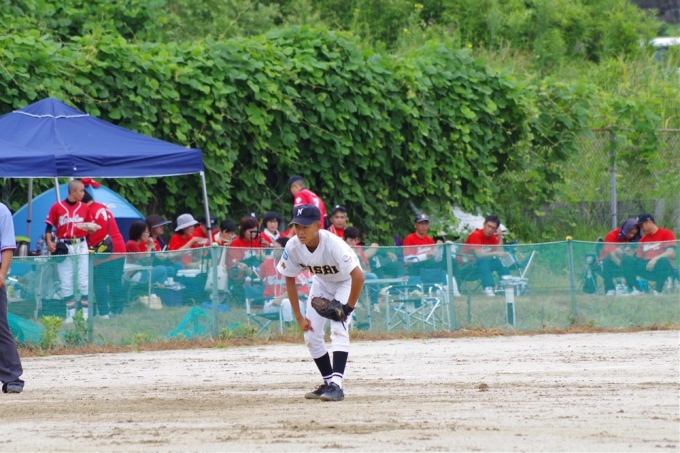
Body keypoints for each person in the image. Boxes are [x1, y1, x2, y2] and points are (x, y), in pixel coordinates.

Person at [277, 204, 365, 402]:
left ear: (318, 225)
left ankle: (337, 385)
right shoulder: (292, 246)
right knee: (310, 334)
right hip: (322, 283)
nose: (300, 231)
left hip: (345, 283)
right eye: (297, 226)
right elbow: (289, 278)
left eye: (305, 226)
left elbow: (359, 277)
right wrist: (299, 317)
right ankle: (328, 382)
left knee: (338, 328)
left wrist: (347, 308)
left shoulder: (333, 244)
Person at [44, 180, 92, 322]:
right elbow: (49, 227)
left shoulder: (85, 207)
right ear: (72, 192)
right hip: (64, 246)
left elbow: (90, 227)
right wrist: (49, 241)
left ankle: (85, 314)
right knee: (66, 281)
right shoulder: (57, 207)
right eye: (81, 191)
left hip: (81, 244)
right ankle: (71, 315)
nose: (83, 193)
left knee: (83, 280)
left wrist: (92, 228)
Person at [82, 190, 126, 318]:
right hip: (119, 246)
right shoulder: (103, 207)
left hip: (103, 250)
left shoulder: (88, 212)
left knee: (100, 282)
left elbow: (89, 233)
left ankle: (103, 313)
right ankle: (117, 311)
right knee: (116, 281)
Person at [253, 237, 309, 322]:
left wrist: (283, 296)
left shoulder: (295, 266)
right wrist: (245, 268)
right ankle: (289, 327)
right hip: (271, 302)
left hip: (289, 301)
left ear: (285, 250)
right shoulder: (267, 263)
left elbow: (304, 291)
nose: (273, 250)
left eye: (276, 248)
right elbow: (253, 275)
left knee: (297, 303)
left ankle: (302, 327)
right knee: (287, 302)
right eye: (273, 248)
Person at [0, 201, 24, 394]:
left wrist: (2, 273)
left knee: (0, 326)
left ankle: (11, 376)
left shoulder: (1, 211)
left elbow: (7, 246)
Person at [621, 213, 676, 295]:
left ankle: (658, 291)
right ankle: (637, 290)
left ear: (649, 222)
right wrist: (627, 273)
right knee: (626, 260)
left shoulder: (666, 233)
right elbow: (638, 259)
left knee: (664, 260)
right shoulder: (643, 240)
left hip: (661, 266)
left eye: (642, 226)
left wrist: (655, 259)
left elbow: (670, 252)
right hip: (646, 266)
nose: (641, 229)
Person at [460, 215, 510, 297]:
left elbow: (500, 253)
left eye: (493, 228)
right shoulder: (476, 235)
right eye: (488, 226)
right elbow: (478, 255)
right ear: (484, 224)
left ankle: (507, 286)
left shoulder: (493, 238)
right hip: (466, 267)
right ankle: (487, 288)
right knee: (483, 260)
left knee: (498, 261)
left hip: (481, 267)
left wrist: (500, 238)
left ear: (496, 229)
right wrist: (496, 253)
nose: (490, 230)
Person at [126, 221, 176, 287]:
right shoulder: (131, 244)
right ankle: (157, 291)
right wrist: (149, 246)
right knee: (162, 269)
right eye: (146, 232)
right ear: (139, 232)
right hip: (132, 276)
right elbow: (146, 263)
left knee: (168, 269)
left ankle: (157, 289)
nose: (148, 234)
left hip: (139, 272)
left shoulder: (135, 244)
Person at [598, 218, 641, 296]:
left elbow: (631, 254)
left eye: (634, 233)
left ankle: (634, 288)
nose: (632, 235)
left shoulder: (634, 239)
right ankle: (610, 289)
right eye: (630, 232)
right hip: (610, 262)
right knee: (606, 261)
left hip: (625, 263)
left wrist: (624, 255)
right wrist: (624, 268)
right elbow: (612, 255)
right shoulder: (612, 235)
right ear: (626, 229)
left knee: (629, 261)